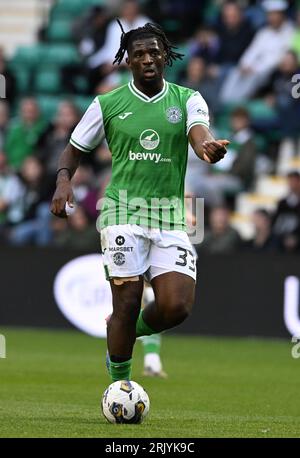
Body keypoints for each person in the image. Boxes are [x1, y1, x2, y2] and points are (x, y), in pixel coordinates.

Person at [51, 22, 229, 383]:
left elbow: (199, 133)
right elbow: (74, 149)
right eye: (139, 54)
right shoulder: (108, 103)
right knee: (127, 302)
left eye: (153, 52)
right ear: (127, 61)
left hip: (170, 216)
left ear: (165, 55)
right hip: (122, 211)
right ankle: (120, 384)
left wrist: (206, 147)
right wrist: (63, 180)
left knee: (176, 307)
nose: (147, 59)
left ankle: (124, 333)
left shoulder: (188, 98)